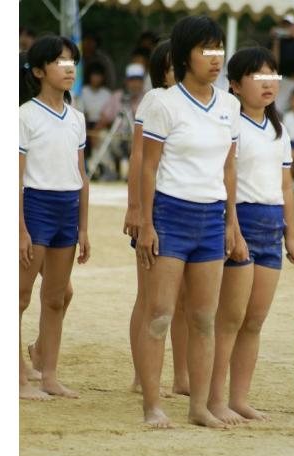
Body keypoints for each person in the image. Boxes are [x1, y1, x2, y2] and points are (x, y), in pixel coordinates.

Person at [136, 15, 240, 428]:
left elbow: (229, 168)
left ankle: (199, 407)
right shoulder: (164, 103)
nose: (215, 58)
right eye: (205, 50)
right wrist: (146, 223)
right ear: (184, 56)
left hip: (212, 217)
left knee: (203, 318)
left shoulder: (230, 105)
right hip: (170, 215)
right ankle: (152, 406)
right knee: (160, 314)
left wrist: (231, 223)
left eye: (219, 49)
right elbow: (147, 167)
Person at [208, 47, 294, 425]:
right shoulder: (230, 125)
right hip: (242, 221)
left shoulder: (280, 130)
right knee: (229, 319)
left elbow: (286, 185)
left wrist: (290, 235)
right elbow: (225, 179)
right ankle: (215, 399)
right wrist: (232, 227)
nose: (268, 83)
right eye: (257, 76)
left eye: (272, 75)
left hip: (272, 225)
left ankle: (239, 399)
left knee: (254, 321)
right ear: (234, 85)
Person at [19, 36, 90, 400]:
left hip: (67, 210)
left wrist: (84, 227)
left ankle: (49, 375)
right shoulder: (24, 116)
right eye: (60, 61)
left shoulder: (77, 118)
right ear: (38, 71)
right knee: (19, 297)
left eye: (72, 61)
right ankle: (17, 378)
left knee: (56, 298)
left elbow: (82, 175)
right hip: (35, 207)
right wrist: (20, 229)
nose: (69, 68)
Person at [123, 40, 189, 397]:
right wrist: (135, 206)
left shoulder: (192, 103)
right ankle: (141, 376)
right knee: (150, 298)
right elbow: (139, 155)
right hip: (157, 206)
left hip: (185, 206)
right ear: (161, 72)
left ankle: (182, 378)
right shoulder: (155, 99)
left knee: (183, 302)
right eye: (173, 66)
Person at [77, 62, 112, 159]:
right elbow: (81, 112)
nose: (96, 78)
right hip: (86, 125)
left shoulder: (107, 94)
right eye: (94, 75)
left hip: (102, 126)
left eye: (98, 76)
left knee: (103, 137)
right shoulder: (83, 91)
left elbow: (108, 117)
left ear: (102, 78)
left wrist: (97, 129)